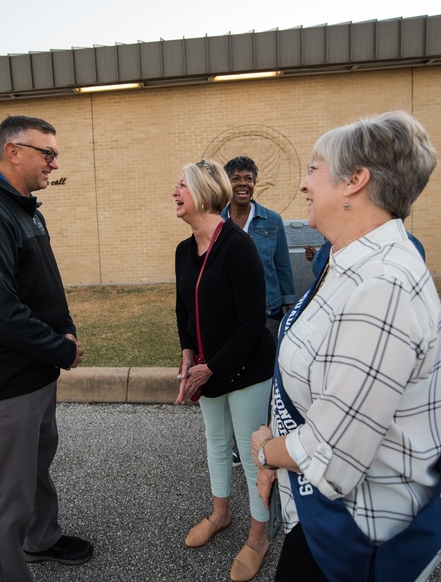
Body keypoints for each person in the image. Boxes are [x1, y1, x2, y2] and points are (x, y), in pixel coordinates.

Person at [250, 111, 441, 581]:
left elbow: (332, 455)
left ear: (355, 181)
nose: (303, 184)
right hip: (328, 510)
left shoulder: (384, 285)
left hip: (364, 531)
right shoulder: (350, 261)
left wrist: (265, 451)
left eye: (313, 168)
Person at [0, 115, 92, 582]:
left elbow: (43, 284)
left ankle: (41, 539)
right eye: (46, 153)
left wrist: (63, 329)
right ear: (13, 151)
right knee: (6, 491)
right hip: (5, 377)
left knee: (34, 465)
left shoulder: (25, 207)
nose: (54, 161)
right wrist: (61, 349)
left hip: (36, 368)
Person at [174, 158, 276, 582]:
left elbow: (253, 322)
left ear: (201, 191)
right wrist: (187, 353)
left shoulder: (237, 246)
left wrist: (210, 367)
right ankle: (221, 514)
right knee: (216, 443)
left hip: (247, 368)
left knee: (253, 455)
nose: (175, 191)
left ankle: (258, 536)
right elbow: (184, 308)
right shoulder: (183, 249)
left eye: (181, 184)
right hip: (206, 369)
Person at [221, 156, 296, 342]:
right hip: (229, 309)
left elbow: (282, 264)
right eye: (236, 179)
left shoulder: (272, 220)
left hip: (268, 308)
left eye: (248, 178)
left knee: (266, 361)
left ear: (255, 183)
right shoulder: (218, 222)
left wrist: (289, 301)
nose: (243, 184)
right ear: (227, 183)